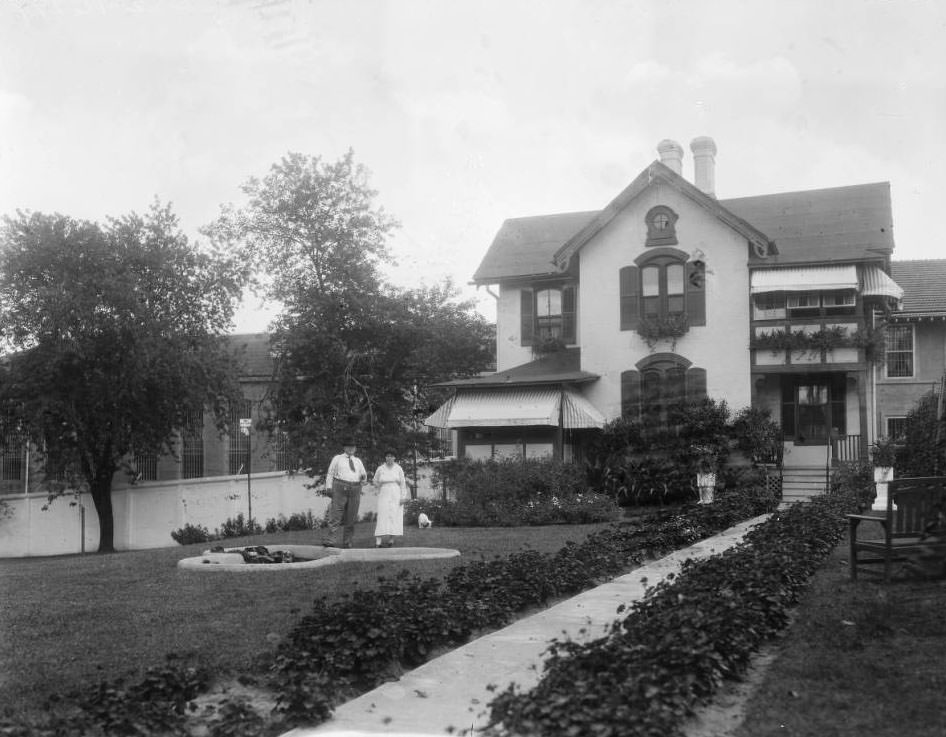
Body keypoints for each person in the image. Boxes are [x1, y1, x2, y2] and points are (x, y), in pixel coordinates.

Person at [322, 437, 368, 548]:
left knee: (351, 517)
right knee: (336, 515)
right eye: (348, 446)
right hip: (340, 487)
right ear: (344, 448)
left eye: (353, 447)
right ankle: (331, 540)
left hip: (355, 489)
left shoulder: (358, 461)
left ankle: (347, 542)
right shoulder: (337, 458)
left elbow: (364, 477)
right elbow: (330, 473)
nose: (351, 449)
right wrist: (328, 487)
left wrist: (363, 478)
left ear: (355, 448)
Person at [372, 449, 408, 548]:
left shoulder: (398, 468)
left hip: (396, 493)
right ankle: (378, 542)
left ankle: (391, 540)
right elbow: (374, 481)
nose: (389, 458)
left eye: (392, 456)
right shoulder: (380, 468)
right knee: (382, 516)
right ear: (385, 457)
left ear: (394, 458)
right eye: (387, 456)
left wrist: (403, 497)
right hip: (384, 493)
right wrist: (379, 486)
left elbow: (403, 484)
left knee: (394, 516)